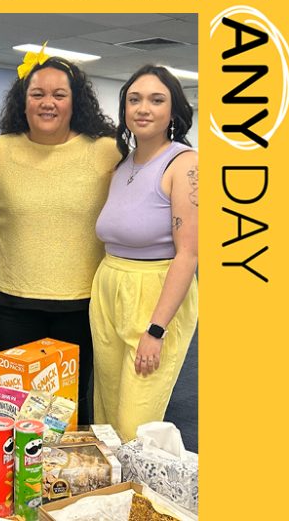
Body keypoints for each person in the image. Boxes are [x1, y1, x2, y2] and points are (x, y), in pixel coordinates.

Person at [0, 53, 121, 425]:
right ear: (22, 101)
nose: (48, 103)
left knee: (70, 407)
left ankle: (72, 479)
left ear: (75, 101)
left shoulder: (106, 150)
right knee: (17, 407)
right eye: (37, 93)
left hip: (81, 302)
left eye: (59, 94)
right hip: (14, 302)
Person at [93, 67, 198, 442]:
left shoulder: (184, 164)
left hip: (154, 292)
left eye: (157, 100)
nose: (143, 108)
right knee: (105, 409)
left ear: (173, 111)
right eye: (134, 99)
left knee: (134, 421)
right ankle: (111, 497)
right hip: (109, 286)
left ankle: (141, 496)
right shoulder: (122, 165)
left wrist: (156, 330)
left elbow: (188, 255)